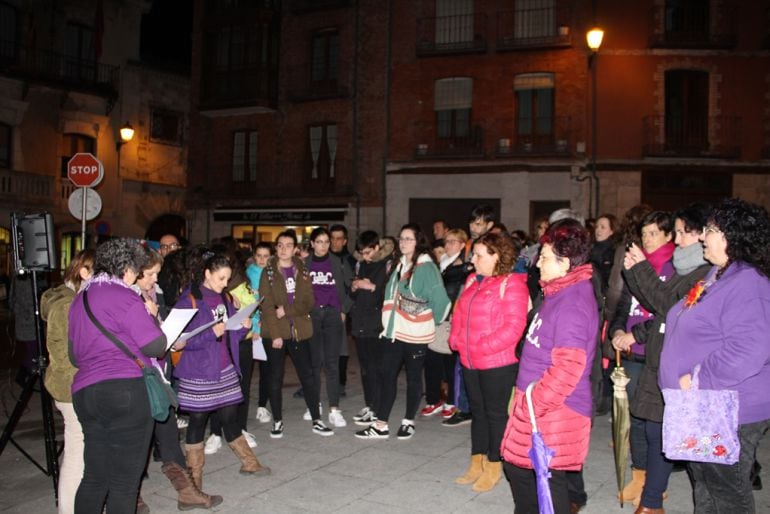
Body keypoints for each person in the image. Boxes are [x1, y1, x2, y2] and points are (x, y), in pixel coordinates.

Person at [659, 198, 770, 514]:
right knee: (705, 485)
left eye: (710, 230)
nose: (703, 236)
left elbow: (749, 349)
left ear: (732, 237)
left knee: (727, 492)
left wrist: (694, 378)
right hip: (701, 404)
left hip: (729, 407)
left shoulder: (748, 283)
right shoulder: (718, 275)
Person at [616, 203, 711, 513]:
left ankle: (652, 500)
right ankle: (651, 499)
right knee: (651, 428)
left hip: (680, 364)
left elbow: (668, 305)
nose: (679, 240)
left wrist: (640, 268)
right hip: (662, 358)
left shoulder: (703, 273)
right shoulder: (687, 268)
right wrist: (633, 273)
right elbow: (653, 302)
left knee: (664, 434)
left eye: (684, 233)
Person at [500, 219, 599, 514]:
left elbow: (568, 368)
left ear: (564, 262)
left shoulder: (572, 304)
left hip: (555, 410)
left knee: (546, 480)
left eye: (543, 257)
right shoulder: (558, 292)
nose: (537, 263)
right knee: (526, 473)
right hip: (538, 406)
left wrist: (533, 402)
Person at [68, 238, 167, 513]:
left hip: (86, 394)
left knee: (94, 477)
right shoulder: (125, 296)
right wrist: (151, 316)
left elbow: (75, 356)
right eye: (136, 270)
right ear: (126, 268)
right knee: (124, 482)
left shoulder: (80, 299)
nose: (136, 277)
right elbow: (156, 345)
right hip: (125, 392)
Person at [134, 247, 222, 510]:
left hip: (159, 374)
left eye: (156, 274)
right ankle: (132, 497)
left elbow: (158, 334)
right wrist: (151, 319)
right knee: (138, 442)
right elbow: (138, 340)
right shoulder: (127, 299)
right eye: (150, 275)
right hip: (139, 378)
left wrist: (171, 338)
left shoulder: (154, 293)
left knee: (169, 435)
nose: (155, 280)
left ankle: (187, 493)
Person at [173, 252, 270, 489]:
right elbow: (178, 342)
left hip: (224, 367)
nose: (225, 284)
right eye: (221, 278)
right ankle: (194, 480)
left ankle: (249, 462)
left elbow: (228, 334)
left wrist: (241, 327)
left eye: (227, 279)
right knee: (197, 421)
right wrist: (210, 334)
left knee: (229, 416)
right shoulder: (189, 301)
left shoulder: (224, 299)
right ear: (207, 274)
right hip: (199, 372)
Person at [449, 232, 529, 492]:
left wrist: (481, 346)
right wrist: (456, 340)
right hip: (470, 360)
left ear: (496, 257)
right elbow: (459, 314)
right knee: (478, 413)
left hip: (498, 364)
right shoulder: (473, 280)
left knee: (495, 415)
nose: (473, 259)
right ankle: (477, 461)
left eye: (479, 255)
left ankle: (494, 465)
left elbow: (514, 327)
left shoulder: (513, 283)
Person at [355, 223, 450, 440]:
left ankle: (408, 421)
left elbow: (442, 302)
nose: (404, 242)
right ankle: (381, 424)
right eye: (402, 238)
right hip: (394, 332)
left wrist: (425, 320)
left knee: (414, 378)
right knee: (387, 375)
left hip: (415, 334)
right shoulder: (399, 265)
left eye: (409, 238)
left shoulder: (426, 267)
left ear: (418, 242)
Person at [609, 211, 675, 505]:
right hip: (630, 353)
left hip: (653, 353)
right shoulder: (637, 262)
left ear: (669, 235)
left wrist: (634, 335)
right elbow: (623, 302)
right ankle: (639, 476)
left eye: (654, 234)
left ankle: (656, 485)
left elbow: (667, 311)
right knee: (633, 419)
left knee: (653, 423)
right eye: (644, 233)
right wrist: (618, 329)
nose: (647, 240)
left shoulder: (674, 267)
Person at [260, 230, 334, 438]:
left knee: (308, 376)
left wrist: (286, 310)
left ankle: (316, 419)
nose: (284, 249)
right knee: (275, 377)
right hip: (275, 332)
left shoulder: (302, 269)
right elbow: (266, 307)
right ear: (276, 248)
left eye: (288, 245)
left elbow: (308, 301)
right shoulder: (269, 273)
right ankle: (277, 420)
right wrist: (275, 334)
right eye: (280, 245)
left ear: (295, 249)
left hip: (299, 330)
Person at [41, 250, 94, 514]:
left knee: (81, 454)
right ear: (84, 272)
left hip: (71, 385)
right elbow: (66, 355)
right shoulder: (67, 305)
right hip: (71, 388)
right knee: (76, 456)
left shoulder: (69, 298)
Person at [305, 227, 353, 427]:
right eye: (320, 241)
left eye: (326, 242)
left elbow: (353, 286)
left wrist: (344, 309)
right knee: (315, 364)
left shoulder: (339, 262)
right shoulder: (303, 264)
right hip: (313, 315)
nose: (324, 245)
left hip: (333, 314)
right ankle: (314, 405)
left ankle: (334, 408)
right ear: (312, 244)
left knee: (332, 363)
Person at [422, 228, 471, 420]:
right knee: (432, 361)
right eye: (446, 241)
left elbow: (459, 292)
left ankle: (451, 401)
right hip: (434, 318)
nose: (447, 245)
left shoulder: (462, 267)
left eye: (452, 241)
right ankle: (433, 399)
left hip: (450, 318)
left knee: (450, 363)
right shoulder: (442, 264)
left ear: (461, 244)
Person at [349, 231, 391, 426]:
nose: (365, 257)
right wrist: (355, 288)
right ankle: (370, 404)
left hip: (376, 323)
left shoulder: (387, 265)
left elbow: (387, 295)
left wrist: (372, 287)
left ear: (376, 248)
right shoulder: (361, 265)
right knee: (365, 368)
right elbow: (355, 297)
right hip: (360, 322)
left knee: (376, 367)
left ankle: (377, 407)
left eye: (367, 252)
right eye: (361, 253)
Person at [248, 242, 274, 424]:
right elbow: (246, 304)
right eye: (259, 255)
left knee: (267, 369)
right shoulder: (247, 275)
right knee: (247, 371)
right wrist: (254, 328)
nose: (262, 259)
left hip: (270, 326)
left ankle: (262, 406)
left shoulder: (275, 274)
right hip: (251, 327)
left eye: (266, 256)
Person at [329, 224, 355, 398]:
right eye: (332, 238)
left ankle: (341, 383)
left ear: (345, 241)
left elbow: (353, 288)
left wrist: (344, 309)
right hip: (321, 309)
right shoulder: (321, 258)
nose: (334, 242)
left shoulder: (350, 261)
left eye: (339, 238)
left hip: (342, 310)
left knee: (341, 349)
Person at [590, 213, 619, 292]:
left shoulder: (613, 251)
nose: (598, 230)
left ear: (611, 231)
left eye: (603, 227)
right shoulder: (591, 247)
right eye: (597, 227)